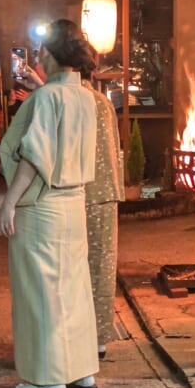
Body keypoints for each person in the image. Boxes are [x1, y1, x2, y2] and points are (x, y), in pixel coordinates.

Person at [0, 19, 99, 388]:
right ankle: (82, 371)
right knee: (73, 287)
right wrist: (40, 91)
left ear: (52, 55)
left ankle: (46, 377)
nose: (37, 56)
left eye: (41, 51)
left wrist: (9, 203)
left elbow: (34, 155)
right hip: (75, 203)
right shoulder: (85, 96)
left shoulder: (45, 99)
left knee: (40, 291)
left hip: (42, 204)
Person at [80, 49, 124, 359]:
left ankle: (83, 338)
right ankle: (98, 338)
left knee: (78, 267)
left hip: (82, 191)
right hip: (107, 189)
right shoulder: (102, 100)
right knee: (101, 264)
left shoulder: (72, 98)